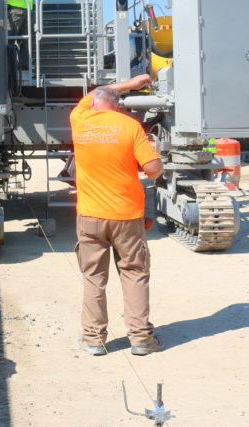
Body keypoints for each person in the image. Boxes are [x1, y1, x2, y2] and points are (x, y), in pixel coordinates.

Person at [69, 73, 165, 357]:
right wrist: (156, 152)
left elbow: (100, 92)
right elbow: (153, 171)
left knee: (93, 277)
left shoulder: (80, 119)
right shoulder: (130, 126)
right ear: (118, 106)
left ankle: (93, 340)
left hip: (89, 215)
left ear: (94, 104)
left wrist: (129, 82)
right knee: (134, 273)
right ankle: (140, 340)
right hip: (126, 216)